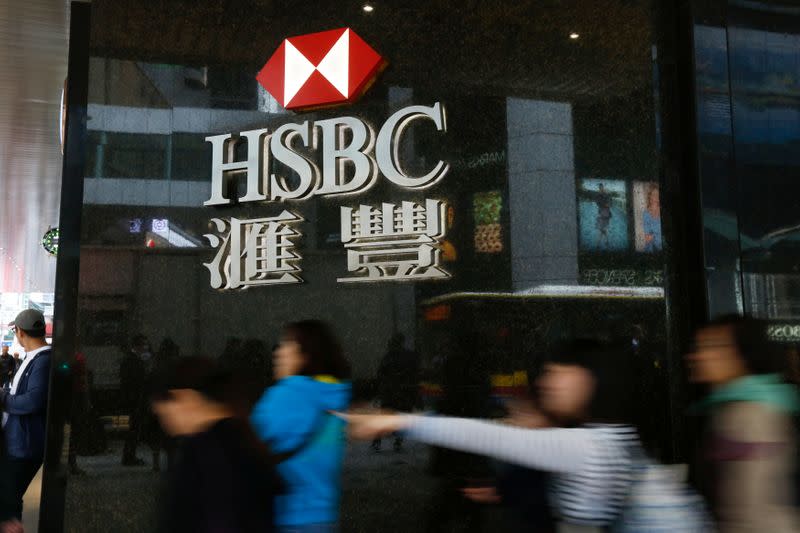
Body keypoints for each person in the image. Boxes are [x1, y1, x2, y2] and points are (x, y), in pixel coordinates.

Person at [343, 339, 643, 531]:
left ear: (590, 381)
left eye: (559, 372)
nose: (547, 381)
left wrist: (400, 421)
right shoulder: (603, 440)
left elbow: (487, 436)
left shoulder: (591, 447)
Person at [687, 315, 800, 532]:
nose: (699, 356)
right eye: (699, 347)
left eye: (713, 347)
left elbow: (750, 510)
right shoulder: (732, 408)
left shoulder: (750, 414)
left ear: (742, 356)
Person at [151, 356, 281, 533]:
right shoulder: (242, 437)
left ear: (184, 396)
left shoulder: (205, 449)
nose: (161, 416)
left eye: (162, 408)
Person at [251, 320, 352, 533]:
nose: (278, 353)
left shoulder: (288, 395)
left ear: (305, 354)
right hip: (324, 517)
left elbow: (244, 447)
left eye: (287, 344)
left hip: (287, 517)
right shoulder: (334, 394)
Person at [0, 309, 52, 524]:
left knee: (8, 501)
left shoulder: (42, 360)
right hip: (17, 441)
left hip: (24, 445)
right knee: (8, 498)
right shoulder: (34, 358)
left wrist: (2, 399)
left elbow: (32, 401)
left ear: (19, 332)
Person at [372, 333, 419, 452]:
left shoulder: (389, 356)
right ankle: (397, 442)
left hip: (391, 393)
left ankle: (378, 441)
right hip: (403, 393)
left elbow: (381, 374)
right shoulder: (407, 356)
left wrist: (381, 390)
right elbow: (413, 375)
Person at [119, 334, 152, 466]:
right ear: (138, 346)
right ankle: (129, 456)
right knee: (133, 430)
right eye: (143, 345)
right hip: (135, 400)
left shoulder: (128, 360)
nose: (145, 348)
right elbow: (138, 382)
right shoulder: (135, 362)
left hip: (131, 400)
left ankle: (129, 455)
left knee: (132, 430)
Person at [642, 184, 662, 252]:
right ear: (650, 196)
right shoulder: (646, 214)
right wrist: (658, 234)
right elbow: (647, 238)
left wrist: (654, 235)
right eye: (654, 194)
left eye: (658, 194)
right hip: (653, 249)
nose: (657, 196)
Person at [595, 183, 612, 249]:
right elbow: (598, 203)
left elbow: (610, 202)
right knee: (602, 228)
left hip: (606, 213)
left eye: (601, 187)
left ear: (603, 187)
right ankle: (606, 241)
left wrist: (607, 204)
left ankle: (598, 243)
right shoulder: (598, 195)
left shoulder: (606, 194)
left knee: (602, 228)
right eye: (600, 187)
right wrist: (605, 204)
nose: (601, 188)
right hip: (602, 212)